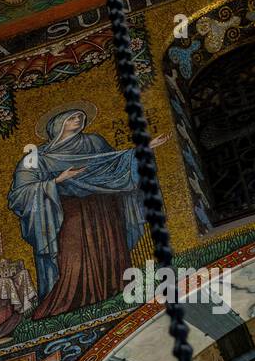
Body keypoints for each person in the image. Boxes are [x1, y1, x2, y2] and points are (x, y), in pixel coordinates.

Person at [9, 105, 167, 318]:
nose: (78, 120)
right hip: (65, 210)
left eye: (80, 117)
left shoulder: (94, 142)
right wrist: (57, 180)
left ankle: (115, 289)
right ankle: (68, 299)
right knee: (71, 253)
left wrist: (144, 149)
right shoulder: (38, 156)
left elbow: (115, 163)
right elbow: (20, 193)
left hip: (101, 206)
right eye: (72, 117)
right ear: (58, 123)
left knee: (109, 245)